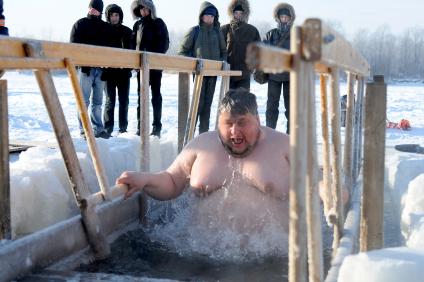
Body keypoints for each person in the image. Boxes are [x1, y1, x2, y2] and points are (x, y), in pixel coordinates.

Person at [117, 89, 291, 231]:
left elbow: (315, 182)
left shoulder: (284, 146)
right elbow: (171, 181)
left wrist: (320, 188)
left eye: (242, 122)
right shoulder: (201, 146)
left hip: (271, 261)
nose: (234, 131)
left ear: (257, 121)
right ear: (218, 123)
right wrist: (146, 179)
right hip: (199, 256)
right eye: (228, 123)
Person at [179, 2, 227, 134]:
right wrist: (193, 63)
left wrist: (222, 63)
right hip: (199, 74)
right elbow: (182, 51)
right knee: (197, 106)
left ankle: (203, 136)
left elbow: (224, 51)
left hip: (213, 74)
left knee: (207, 106)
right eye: (207, 16)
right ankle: (190, 135)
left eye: (212, 16)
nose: (210, 18)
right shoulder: (195, 31)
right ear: (201, 16)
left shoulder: (218, 33)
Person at [70, 0, 110, 139]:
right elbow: (73, 45)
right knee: (83, 101)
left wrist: (107, 65)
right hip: (85, 69)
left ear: (100, 11)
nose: (92, 10)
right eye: (91, 8)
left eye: (96, 9)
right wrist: (77, 64)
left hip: (101, 69)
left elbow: (110, 48)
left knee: (98, 103)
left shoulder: (105, 27)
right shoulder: (80, 24)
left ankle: (98, 129)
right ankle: (83, 130)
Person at [131, 0, 169, 138]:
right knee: (141, 97)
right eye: (141, 9)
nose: (144, 11)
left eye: (147, 8)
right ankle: (141, 127)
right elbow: (132, 45)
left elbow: (165, 43)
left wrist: (155, 58)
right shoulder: (137, 25)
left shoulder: (158, 22)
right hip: (141, 68)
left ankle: (156, 127)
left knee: (156, 96)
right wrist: (135, 63)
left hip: (155, 67)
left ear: (151, 9)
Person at [263, 3, 295, 134]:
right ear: (278, 18)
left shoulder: (296, 35)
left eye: (286, 17)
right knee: (271, 107)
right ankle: (270, 133)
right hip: (274, 76)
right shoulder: (270, 34)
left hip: (290, 77)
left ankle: (291, 136)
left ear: (291, 18)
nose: (284, 19)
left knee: (291, 108)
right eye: (282, 17)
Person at [102, 4, 133, 136]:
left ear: (120, 16)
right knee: (110, 101)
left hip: (123, 73)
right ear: (108, 16)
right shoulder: (104, 30)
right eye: (111, 15)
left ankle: (123, 129)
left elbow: (132, 52)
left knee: (124, 101)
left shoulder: (127, 31)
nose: (114, 18)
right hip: (109, 72)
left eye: (116, 15)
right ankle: (108, 129)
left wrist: (128, 67)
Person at [221, 0, 260, 91]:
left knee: (243, 101)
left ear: (245, 14)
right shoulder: (224, 29)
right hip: (228, 72)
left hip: (244, 73)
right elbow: (219, 49)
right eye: (236, 13)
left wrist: (254, 66)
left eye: (241, 13)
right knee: (228, 101)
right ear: (232, 13)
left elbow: (258, 52)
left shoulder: (252, 30)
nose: (238, 15)